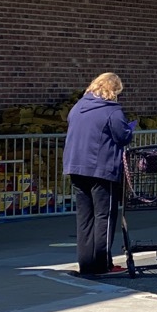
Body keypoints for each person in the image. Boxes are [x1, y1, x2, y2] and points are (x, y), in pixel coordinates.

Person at [63, 72, 134, 277]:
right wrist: (130, 130)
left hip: (76, 167)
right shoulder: (112, 111)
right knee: (105, 216)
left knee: (84, 218)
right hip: (102, 169)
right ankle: (102, 263)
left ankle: (86, 265)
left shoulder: (77, 108)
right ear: (113, 90)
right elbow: (122, 136)